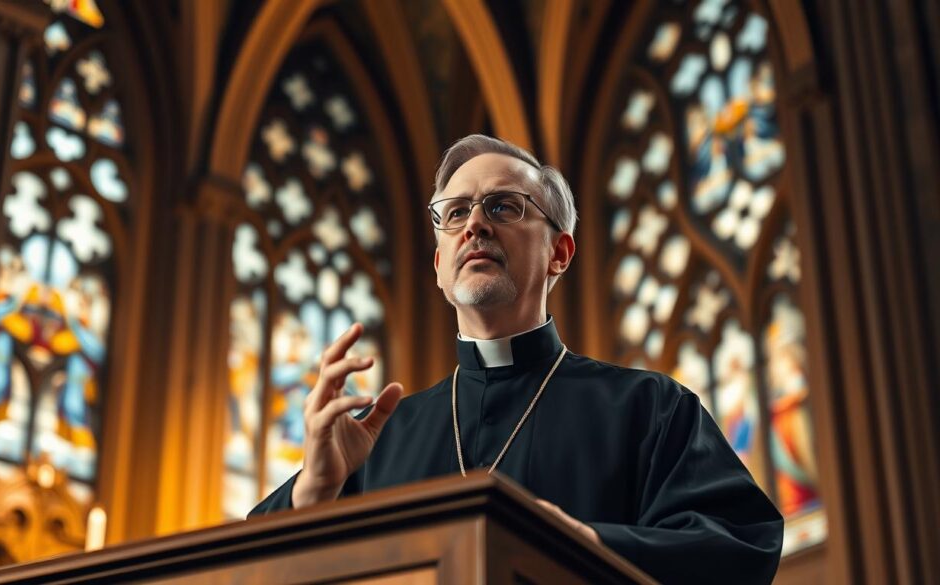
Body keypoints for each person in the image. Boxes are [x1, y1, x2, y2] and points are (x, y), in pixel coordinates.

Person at [249, 134, 783, 583]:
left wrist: (588, 547)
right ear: (439, 266)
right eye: (455, 213)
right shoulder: (377, 442)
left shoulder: (650, 407)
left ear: (559, 252)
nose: (473, 225)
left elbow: (740, 547)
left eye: (503, 206)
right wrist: (314, 492)